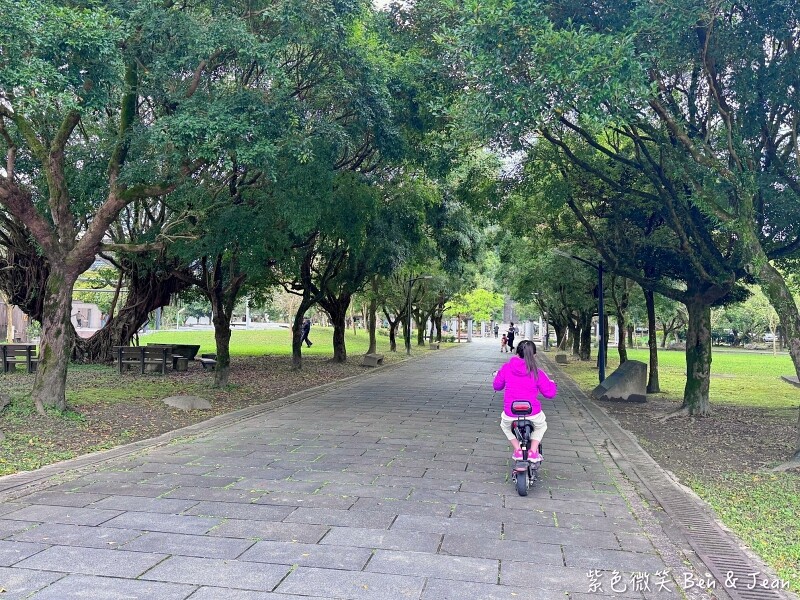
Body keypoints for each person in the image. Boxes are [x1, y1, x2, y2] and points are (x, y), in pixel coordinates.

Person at [493, 340, 557, 461]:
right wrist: (552, 384)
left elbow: (497, 386)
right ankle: (533, 451)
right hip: (532, 412)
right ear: (534, 355)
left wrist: (499, 376)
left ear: (516, 353)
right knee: (541, 426)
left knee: (505, 426)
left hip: (511, 412)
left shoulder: (506, 368)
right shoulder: (538, 373)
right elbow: (550, 394)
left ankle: (517, 449)